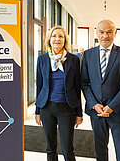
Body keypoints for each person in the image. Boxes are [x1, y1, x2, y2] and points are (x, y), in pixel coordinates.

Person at [81, 20, 120, 161]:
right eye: (102, 32)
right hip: (97, 111)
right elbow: (84, 83)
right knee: (100, 151)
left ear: (115, 33)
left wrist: (112, 106)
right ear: (96, 33)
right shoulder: (87, 55)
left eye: (109, 32)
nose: (105, 35)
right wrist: (94, 104)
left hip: (119, 111)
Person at [35, 26, 83, 161]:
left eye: (61, 36)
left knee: (68, 149)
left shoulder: (73, 59)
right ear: (49, 39)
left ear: (65, 40)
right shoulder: (42, 59)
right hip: (46, 107)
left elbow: (77, 87)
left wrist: (79, 113)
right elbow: (39, 86)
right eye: (54, 36)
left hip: (67, 108)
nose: (57, 39)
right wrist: (37, 111)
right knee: (50, 148)